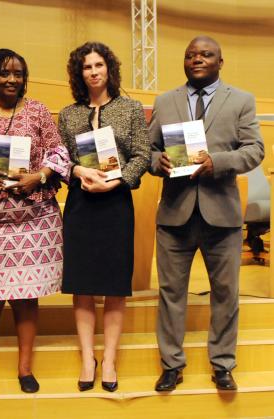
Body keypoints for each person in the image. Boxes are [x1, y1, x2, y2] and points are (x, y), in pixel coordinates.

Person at [149, 36, 263, 392]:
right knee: (171, 293)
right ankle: (171, 365)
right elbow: (148, 150)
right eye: (190, 55)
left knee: (226, 293)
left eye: (205, 54)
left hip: (222, 217)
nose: (197, 59)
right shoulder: (165, 101)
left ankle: (223, 364)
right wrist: (158, 162)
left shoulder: (241, 100)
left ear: (220, 61)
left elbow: (254, 150)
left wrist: (218, 162)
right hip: (174, 215)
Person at [0, 49, 72, 394]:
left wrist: (40, 175)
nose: (12, 79)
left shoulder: (37, 111)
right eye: (4, 73)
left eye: (18, 73)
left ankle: (24, 370)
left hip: (32, 218)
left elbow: (59, 151)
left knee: (26, 297)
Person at [58, 42, 150, 392]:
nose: (93, 71)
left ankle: (109, 358)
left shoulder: (129, 109)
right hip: (81, 206)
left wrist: (117, 181)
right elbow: (60, 158)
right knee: (81, 286)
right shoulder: (68, 114)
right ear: (79, 73)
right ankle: (87, 357)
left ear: (109, 68)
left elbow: (142, 155)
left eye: (99, 65)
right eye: (86, 67)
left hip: (116, 206)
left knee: (114, 286)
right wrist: (80, 171)